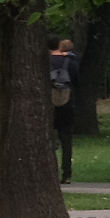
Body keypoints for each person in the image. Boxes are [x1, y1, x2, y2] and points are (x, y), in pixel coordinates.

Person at [49, 38, 77, 184]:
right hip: (67, 102)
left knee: (48, 138)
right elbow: (77, 81)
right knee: (66, 139)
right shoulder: (71, 61)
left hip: (49, 103)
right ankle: (66, 174)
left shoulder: (46, 61)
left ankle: (49, 172)